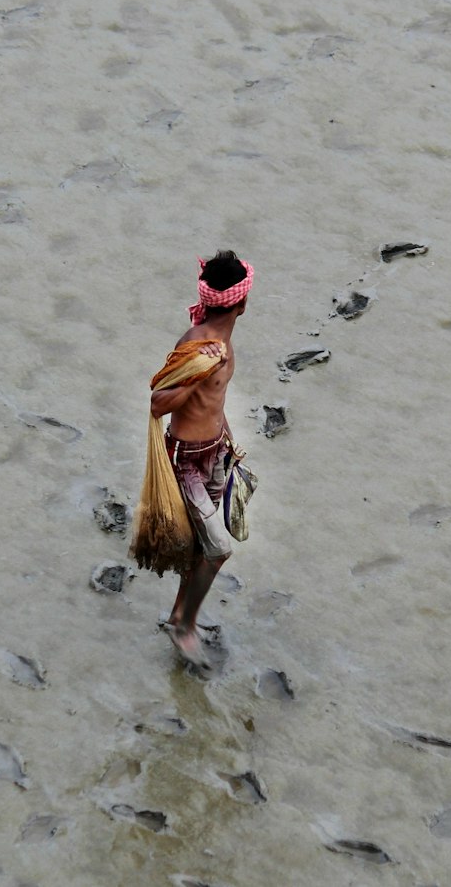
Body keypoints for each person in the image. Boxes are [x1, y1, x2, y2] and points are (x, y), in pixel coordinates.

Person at [149, 250, 254, 669]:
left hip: (213, 452)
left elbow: (215, 398)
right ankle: (185, 627)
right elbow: (158, 403)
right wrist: (195, 378)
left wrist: (228, 440)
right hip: (186, 460)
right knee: (217, 549)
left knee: (199, 546)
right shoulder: (199, 345)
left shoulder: (223, 342)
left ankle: (179, 613)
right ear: (242, 303)